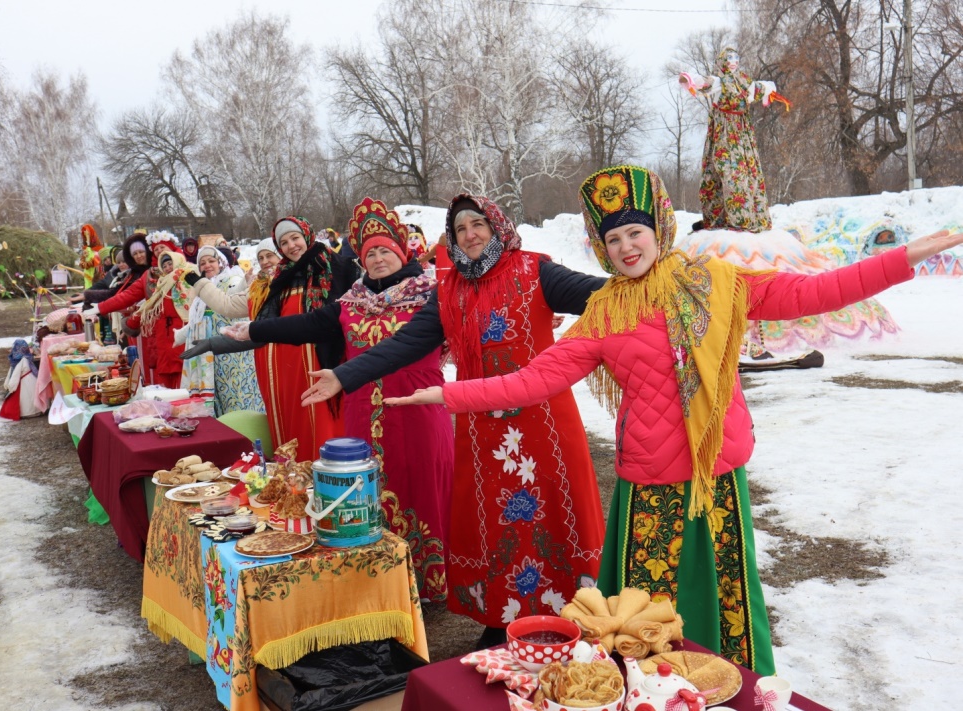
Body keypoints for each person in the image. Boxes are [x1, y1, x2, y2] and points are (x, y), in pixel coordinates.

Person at [383, 164, 963, 674]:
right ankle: (648, 690)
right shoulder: (607, 310)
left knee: (726, 597)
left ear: (657, 231)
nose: (627, 247)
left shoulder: (714, 283)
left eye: (635, 232)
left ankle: (733, 684)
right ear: (601, 248)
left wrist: (900, 260)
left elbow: (814, 292)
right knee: (644, 612)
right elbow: (537, 377)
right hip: (648, 486)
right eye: (613, 239)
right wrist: (445, 395)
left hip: (715, 480)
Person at [301, 194, 608, 648]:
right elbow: (405, 344)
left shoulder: (535, 270)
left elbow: (600, 295)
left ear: (497, 226)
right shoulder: (450, 290)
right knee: (494, 518)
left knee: (552, 513)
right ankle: (502, 617)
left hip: (543, 423)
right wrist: (345, 375)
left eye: (478, 224)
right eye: (461, 229)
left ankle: (573, 611)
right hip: (482, 423)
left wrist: (650, 284)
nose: (471, 234)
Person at [223, 198, 453, 601]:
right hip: (362, 412)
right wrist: (256, 330)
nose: (378, 258)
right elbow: (306, 324)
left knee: (425, 488)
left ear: (402, 252)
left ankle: (428, 581)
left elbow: (476, 318)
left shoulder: (433, 295)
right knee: (365, 494)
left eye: (385, 250)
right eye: (370, 253)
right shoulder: (352, 302)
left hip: (418, 409)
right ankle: (378, 576)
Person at [183, 217, 357, 459]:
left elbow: (339, 322)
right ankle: (294, 487)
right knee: (291, 434)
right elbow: (262, 329)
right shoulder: (279, 280)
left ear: (308, 235)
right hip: (284, 375)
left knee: (322, 431)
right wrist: (215, 344)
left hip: (321, 367)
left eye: (295, 238)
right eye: (283, 242)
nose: (291, 245)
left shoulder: (335, 268)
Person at [680, 47, 787, 233]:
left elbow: (763, 87)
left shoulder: (745, 82)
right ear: (722, 61)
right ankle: (721, 218)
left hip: (741, 138)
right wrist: (689, 79)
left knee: (741, 174)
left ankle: (746, 219)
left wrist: (770, 92)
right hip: (725, 136)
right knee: (725, 173)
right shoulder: (721, 83)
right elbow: (705, 83)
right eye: (729, 58)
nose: (733, 61)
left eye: (736, 57)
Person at [85, 231, 188, 387]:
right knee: (164, 375)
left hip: (184, 332)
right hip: (161, 335)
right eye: (157, 249)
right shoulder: (150, 276)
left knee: (185, 373)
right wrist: (100, 306)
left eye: (163, 247)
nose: (160, 252)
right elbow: (126, 296)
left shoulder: (188, 273)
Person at [174, 246, 264, 416]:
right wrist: (180, 335)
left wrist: (245, 282)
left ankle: (242, 430)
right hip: (207, 354)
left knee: (233, 392)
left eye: (211, 261)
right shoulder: (201, 291)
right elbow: (196, 321)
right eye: (202, 262)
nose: (207, 265)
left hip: (230, 354)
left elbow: (235, 292)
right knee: (216, 395)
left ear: (221, 262)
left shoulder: (229, 279)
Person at [0, 339, 42, 420]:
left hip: (24, 382)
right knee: (32, 395)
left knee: (25, 399)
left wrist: (10, 386)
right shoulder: (28, 357)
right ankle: (38, 409)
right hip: (32, 380)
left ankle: (28, 412)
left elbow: (15, 375)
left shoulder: (18, 361)